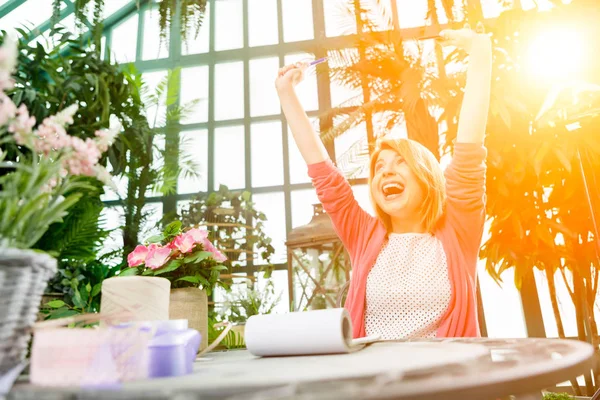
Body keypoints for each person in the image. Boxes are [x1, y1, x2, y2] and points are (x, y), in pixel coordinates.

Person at [275, 23, 492, 340]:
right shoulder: (363, 234)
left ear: (427, 178)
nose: (386, 171)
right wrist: (286, 93)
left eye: (401, 163)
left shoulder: (458, 229)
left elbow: (470, 151)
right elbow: (322, 171)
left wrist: (480, 54)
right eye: (379, 167)